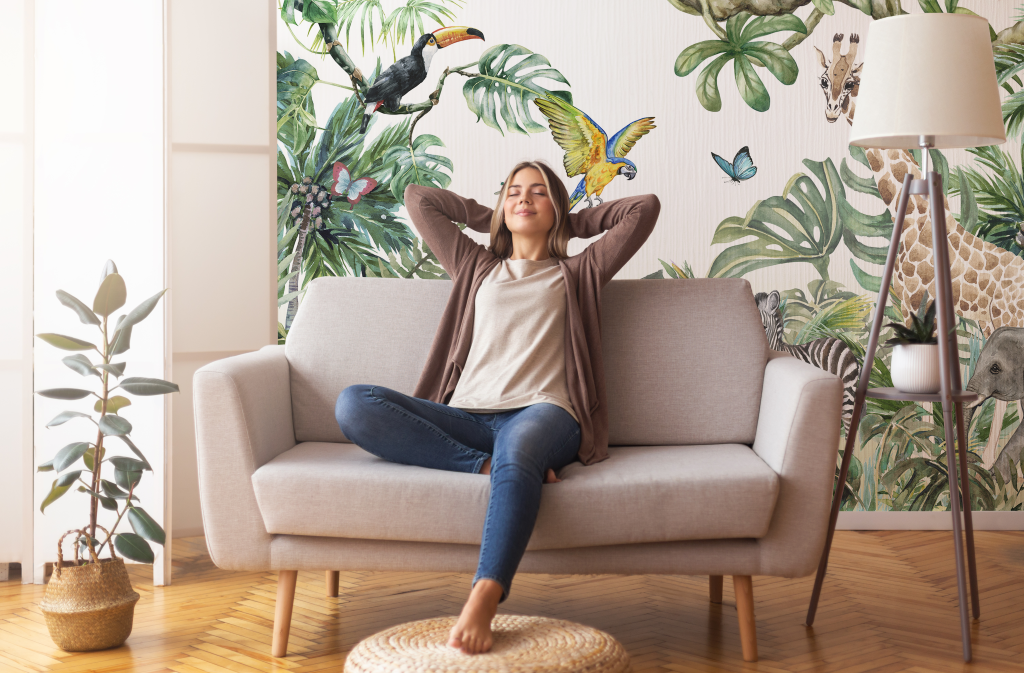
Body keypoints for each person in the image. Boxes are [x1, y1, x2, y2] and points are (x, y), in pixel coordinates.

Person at [334, 159, 661, 655]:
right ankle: (484, 465)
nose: (523, 200)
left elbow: (643, 207)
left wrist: (569, 220)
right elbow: (420, 198)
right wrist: (496, 216)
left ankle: (484, 597)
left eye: (538, 193)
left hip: (545, 413)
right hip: (466, 417)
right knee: (355, 403)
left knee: (522, 445)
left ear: (558, 207)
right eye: (514, 192)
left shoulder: (580, 272)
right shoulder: (476, 266)